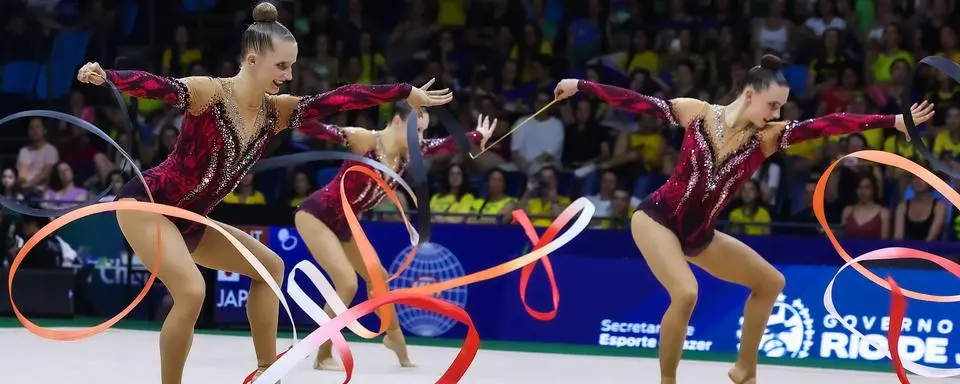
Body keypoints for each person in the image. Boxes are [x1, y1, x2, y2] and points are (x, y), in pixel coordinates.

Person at [74, 3, 452, 383]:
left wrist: (403, 92)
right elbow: (160, 87)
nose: (289, 76)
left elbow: (339, 99)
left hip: (192, 219)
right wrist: (109, 76)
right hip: (148, 205)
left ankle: (268, 373)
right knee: (191, 292)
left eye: (291, 66)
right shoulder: (209, 93)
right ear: (253, 60)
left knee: (270, 267)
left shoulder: (278, 112)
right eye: (282, 66)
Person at [553, 54, 935, 384]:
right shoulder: (696, 112)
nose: (777, 114)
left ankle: (744, 369)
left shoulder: (767, 138)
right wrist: (580, 85)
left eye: (780, 108)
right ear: (749, 94)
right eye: (772, 105)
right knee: (686, 293)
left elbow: (828, 124)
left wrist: (893, 122)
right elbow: (639, 103)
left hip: (699, 234)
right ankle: (668, 379)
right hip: (657, 218)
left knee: (770, 282)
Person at [294, 103, 494, 370]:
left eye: (423, 132)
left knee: (379, 278)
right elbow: (317, 130)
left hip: (345, 223)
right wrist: (286, 111)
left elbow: (444, 144)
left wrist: (478, 136)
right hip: (315, 214)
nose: (421, 139)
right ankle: (323, 353)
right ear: (398, 122)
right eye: (417, 131)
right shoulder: (364, 138)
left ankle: (395, 342)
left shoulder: (410, 152)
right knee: (347, 283)